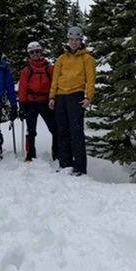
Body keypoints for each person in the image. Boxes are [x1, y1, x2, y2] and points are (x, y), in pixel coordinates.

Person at [48, 27, 96, 176]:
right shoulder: (62, 59)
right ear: (68, 40)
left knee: (76, 132)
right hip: (60, 97)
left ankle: (80, 167)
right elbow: (55, 79)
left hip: (76, 96)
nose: (74, 42)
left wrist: (88, 98)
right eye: (71, 40)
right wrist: (52, 97)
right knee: (62, 131)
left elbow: (91, 80)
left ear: (81, 41)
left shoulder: (87, 59)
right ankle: (65, 164)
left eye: (77, 40)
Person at [17, 41, 58, 162]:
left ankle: (57, 153)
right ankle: (30, 154)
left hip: (46, 102)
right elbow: (22, 88)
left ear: (41, 52)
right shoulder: (27, 70)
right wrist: (22, 105)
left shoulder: (49, 68)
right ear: (29, 54)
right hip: (31, 102)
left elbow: (54, 84)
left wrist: (54, 99)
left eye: (37, 51)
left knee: (55, 129)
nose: (35, 54)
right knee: (31, 130)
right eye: (32, 52)